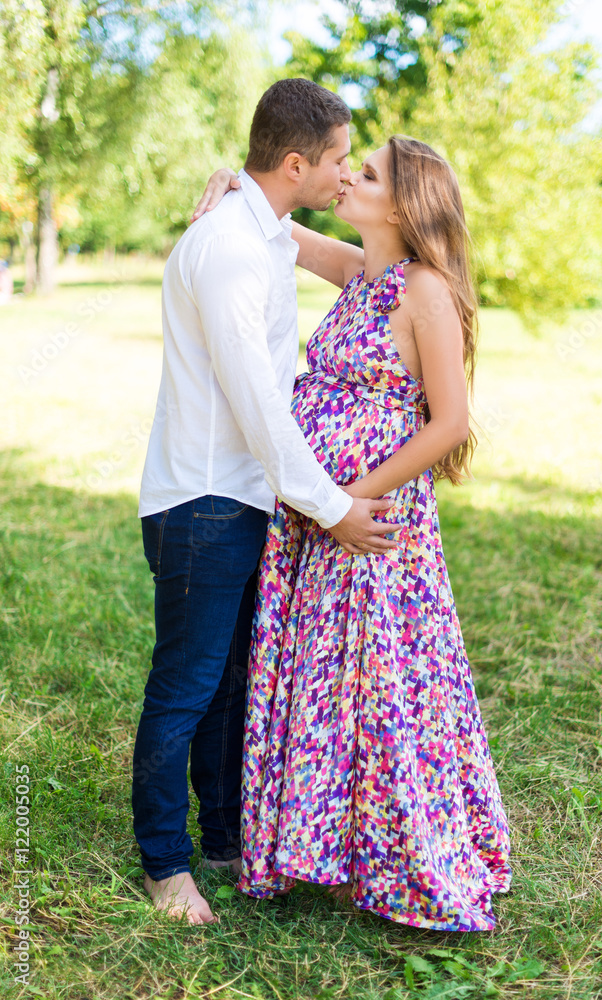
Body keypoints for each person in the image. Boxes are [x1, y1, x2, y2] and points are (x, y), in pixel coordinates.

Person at [192, 135, 511, 930]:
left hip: (368, 523)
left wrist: (344, 502)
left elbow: (450, 424)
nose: (346, 179)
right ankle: (327, 850)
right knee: (325, 680)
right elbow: (280, 225)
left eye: (364, 174)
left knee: (377, 688)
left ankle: (394, 853)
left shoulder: (424, 291)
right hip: (320, 517)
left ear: (402, 205)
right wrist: (234, 185)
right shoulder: (362, 269)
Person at [133, 79, 401, 926]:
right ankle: (166, 867)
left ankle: (223, 840)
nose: (342, 176)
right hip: (202, 503)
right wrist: (333, 509)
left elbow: (368, 264)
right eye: (335, 162)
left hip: (240, 502)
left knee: (227, 685)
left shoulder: (263, 231)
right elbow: (258, 405)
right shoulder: (229, 249)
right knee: (184, 688)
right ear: (295, 162)